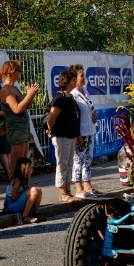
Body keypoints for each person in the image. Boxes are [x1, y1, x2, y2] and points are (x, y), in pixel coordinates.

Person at [46, 69, 81, 202]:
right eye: (73, 80)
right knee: (62, 164)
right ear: (67, 82)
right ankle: (62, 193)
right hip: (61, 136)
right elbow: (52, 116)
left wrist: (78, 136)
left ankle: (67, 190)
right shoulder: (59, 98)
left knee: (69, 164)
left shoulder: (70, 97)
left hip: (70, 136)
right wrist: (51, 129)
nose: (75, 82)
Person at [0, 60, 39, 175]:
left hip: (23, 129)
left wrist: (31, 95)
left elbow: (27, 106)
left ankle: (21, 188)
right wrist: (29, 94)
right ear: (10, 72)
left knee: (24, 164)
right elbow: (16, 109)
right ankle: (11, 191)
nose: (20, 72)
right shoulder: (6, 90)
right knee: (16, 165)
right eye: (18, 70)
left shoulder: (15, 88)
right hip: (16, 130)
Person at [69, 64, 100, 198]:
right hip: (80, 132)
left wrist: (94, 114)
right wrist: (78, 135)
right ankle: (78, 188)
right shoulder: (73, 95)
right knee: (78, 160)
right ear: (75, 78)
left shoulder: (83, 92)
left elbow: (88, 109)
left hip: (90, 130)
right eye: (81, 75)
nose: (84, 77)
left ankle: (88, 184)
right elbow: (74, 117)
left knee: (88, 159)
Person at [4, 157, 44, 224]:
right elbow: (13, 197)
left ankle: (36, 213)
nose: (32, 170)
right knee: (34, 190)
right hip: (11, 205)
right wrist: (24, 193)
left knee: (38, 189)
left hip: (16, 203)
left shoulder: (25, 178)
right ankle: (25, 217)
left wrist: (26, 193)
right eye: (31, 168)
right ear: (26, 169)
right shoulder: (18, 180)